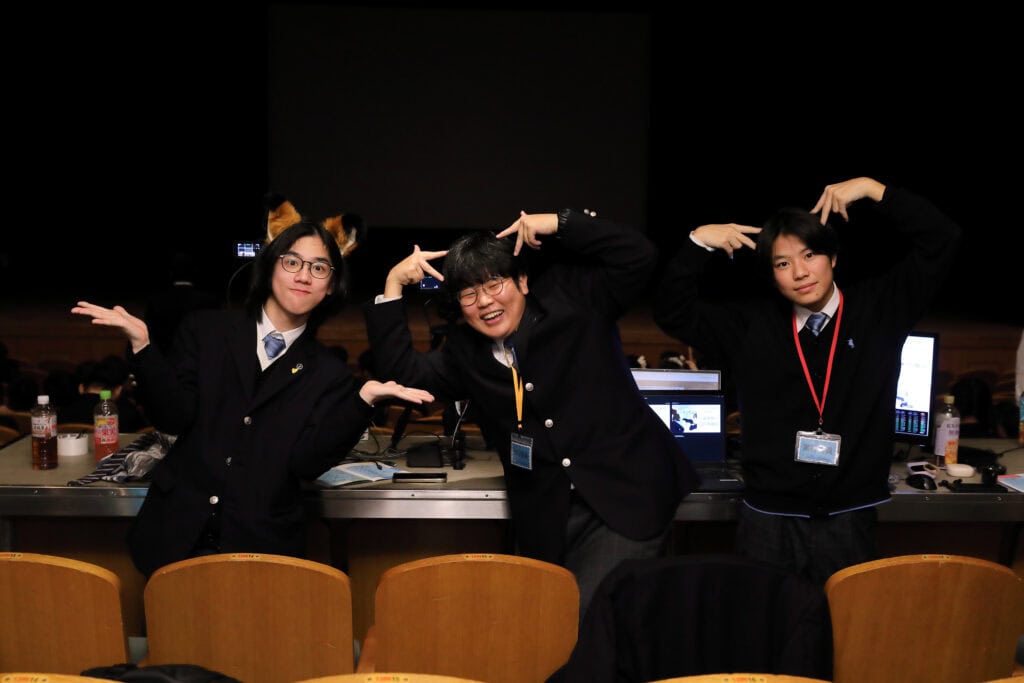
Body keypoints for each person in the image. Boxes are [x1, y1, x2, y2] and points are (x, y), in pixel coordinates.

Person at [364, 208, 700, 618]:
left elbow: (639, 256)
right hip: (548, 517)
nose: (485, 301)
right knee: (545, 629)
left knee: (587, 622)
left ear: (522, 281)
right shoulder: (465, 354)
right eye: (468, 293)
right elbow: (402, 374)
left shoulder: (574, 301)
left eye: (494, 283)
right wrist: (393, 284)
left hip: (626, 495)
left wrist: (562, 223)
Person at [72, 197, 433, 577]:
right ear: (271, 266)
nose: (303, 276)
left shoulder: (330, 373)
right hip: (174, 537)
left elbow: (305, 463)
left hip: (262, 549)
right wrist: (144, 347)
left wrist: (362, 401)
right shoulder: (206, 331)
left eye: (318, 268)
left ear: (330, 286)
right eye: (292, 262)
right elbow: (174, 417)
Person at [654, 177, 961, 586]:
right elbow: (671, 311)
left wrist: (874, 190)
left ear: (833, 257)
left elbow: (942, 239)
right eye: (782, 264)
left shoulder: (879, 309)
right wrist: (697, 244)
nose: (799, 272)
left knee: (844, 624)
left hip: (850, 514)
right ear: (772, 275)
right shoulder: (750, 324)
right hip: (768, 518)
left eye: (809, 255)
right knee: (766, 623)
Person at [143, 251, 222, 356]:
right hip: (201, 361)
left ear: (170, 273)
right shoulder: (210, 302)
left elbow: (149, 337)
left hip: (166, 361)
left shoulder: (156, 302)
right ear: (194, 272)